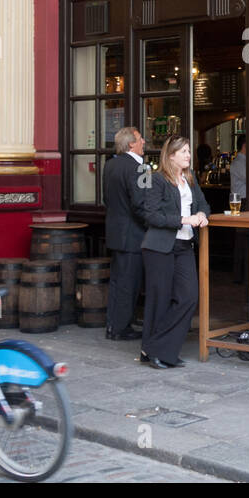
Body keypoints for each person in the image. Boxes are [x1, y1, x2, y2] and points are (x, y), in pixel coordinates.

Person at [134, 134, 209, 369]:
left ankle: (155, 347)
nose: (188, 155)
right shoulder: (157, 180)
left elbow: (203, 204)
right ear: (171, 155)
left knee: (188, 297)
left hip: (184, 246)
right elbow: (151, 215)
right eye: (184, 151)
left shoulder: (190, 179)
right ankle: (157, 351)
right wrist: (184, 219)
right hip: (159, 247)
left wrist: (202, 215)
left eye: (188, 150)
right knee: (160, 300)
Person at [102, 126, 147, 341]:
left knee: (118, 282)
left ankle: (113, 325)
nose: (144, 142)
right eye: (140, 139)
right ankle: (121, 328)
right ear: (131, 144)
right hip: (135, 234)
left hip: (115, 231)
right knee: (130, 283)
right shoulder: (142, 168)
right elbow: (142, 203)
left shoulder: (110, 165)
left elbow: (107, 199)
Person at [230, 134, 249, 283]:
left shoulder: (245, 161)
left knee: (245, 238)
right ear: (245, 145)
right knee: (242, 238)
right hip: (241, 201)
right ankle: (239, 275)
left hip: (244, 200)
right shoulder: (239, 162)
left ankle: (244, 274)